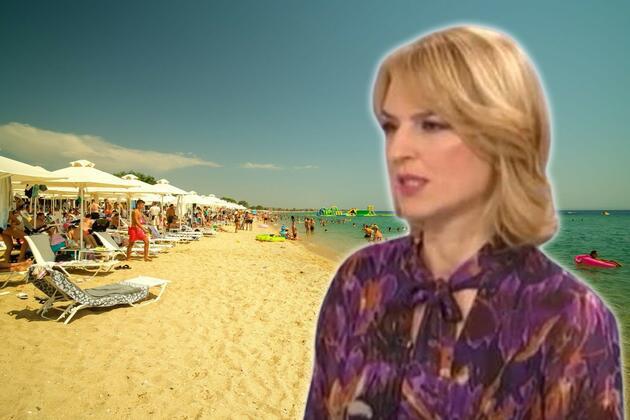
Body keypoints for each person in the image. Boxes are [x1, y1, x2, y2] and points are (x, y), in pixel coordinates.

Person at [304, 25, 623, 419]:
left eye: (431, 124)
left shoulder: (571, 317)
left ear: (504, 136)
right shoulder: (359, 280)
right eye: (390, 126)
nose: (397, 149)